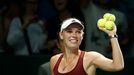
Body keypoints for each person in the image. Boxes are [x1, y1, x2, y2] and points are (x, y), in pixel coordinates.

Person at [50, 18, 124, 75]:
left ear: (82, 36)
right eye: (69, 31)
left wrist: (112, 35)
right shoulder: (54, 60)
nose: (74, 35)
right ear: (61, 35)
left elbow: (118, 66)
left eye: (78, 32)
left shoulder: (91, 57)